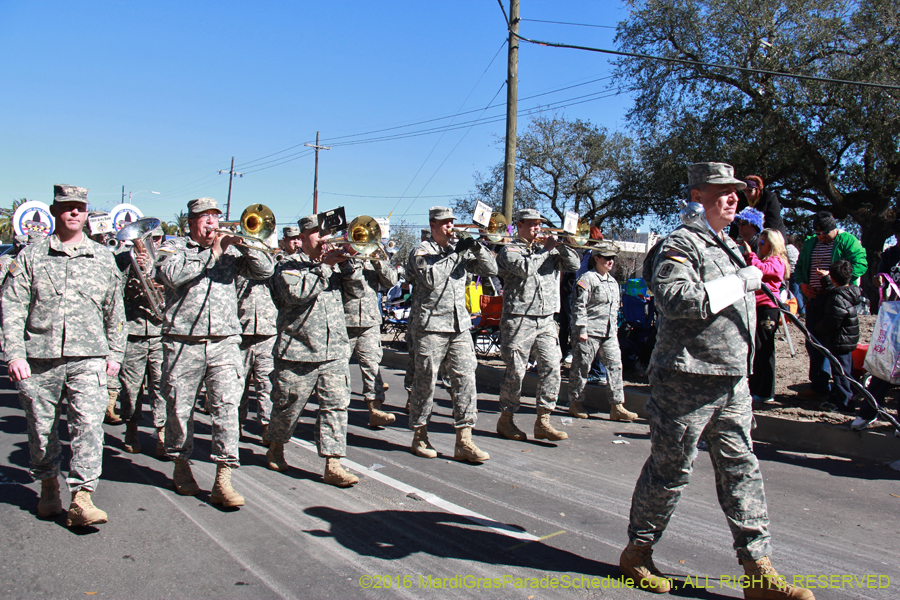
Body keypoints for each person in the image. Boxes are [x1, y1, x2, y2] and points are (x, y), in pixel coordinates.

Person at [620, 163, 814, 600]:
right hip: (686, 378)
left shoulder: (732, 245)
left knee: (742, 469)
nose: (734, 197)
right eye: (722, 191)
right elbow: (675, 300)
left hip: (732, 380)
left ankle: (757, 569)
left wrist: (763, 287)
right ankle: (638, 552)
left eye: (736, 191)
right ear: (697, 195)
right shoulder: (681, 243)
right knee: (671, 471)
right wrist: (739, 283)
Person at [2, 184, 126, 527]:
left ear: (86, 213)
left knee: (88, 425)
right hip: (40, 358)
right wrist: (14, 354)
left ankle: (82, 498)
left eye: (80, 207)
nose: (74, 212)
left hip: (89, 358)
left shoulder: (102, 258)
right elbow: (12, 307)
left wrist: (115, 353)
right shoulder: (32, 256)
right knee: (41, 430)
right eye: (67, 207)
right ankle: (47, 486)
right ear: (55, 212)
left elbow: (115, 311)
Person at [155, 197, 275, 507]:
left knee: (226, 408)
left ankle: (224, 477)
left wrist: (246, 243)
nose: (211, 222)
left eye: (215, 216)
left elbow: (264, 272)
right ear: (190, 223)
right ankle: (181, 466)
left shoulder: (232, 251)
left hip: (224, 341)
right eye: (204, 217)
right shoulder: (173, 250)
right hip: (183, 341)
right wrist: (214, 251)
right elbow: (171, 276)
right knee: (179, 411)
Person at [264, 215, 362, 487]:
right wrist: (326, 267)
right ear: (303, 237)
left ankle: (333, 463)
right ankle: (276, 445)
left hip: (334, 351)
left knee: (336, 408)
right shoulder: (287, 265)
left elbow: (358, 292)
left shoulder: (336, 264)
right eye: (317, 234)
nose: (324, 239)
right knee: (287, 408)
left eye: (327, 233)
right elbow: (296, 294)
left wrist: (349, 263)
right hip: (298, 351)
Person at [406, 206, 497, 461]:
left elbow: (491, 270)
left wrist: (478, 246)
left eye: (452, 222)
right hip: (431, 327)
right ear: (433, 225)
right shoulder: (422, 251)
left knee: (465, 379)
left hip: (459, 326)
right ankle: (420, 435)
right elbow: (432, 278)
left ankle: (464, 440)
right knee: (425, 382)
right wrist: (457, 254)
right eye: (445, 223)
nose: (450, 227)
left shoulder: (457, 251)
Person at [495, 208, 579, 443]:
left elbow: (573, 264)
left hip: (545, 319)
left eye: (539, 224)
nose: (537, 228)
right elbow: (525, 269)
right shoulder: (510, 250)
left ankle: (543, 420)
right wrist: (546, 250)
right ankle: (506, 419)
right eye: (531, 224)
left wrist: (561, 245)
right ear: (519, 225)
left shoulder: (548, 249)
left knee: (552, 366)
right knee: (516, 371)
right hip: (519, 318)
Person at [795, 211, 866, 398]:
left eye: (824, 232)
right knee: (814, 343)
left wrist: (836, 278)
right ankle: (819, 385)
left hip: (836, 300)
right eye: (817, 232)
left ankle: (843, 390)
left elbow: (860, 263)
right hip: (814, 299)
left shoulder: (848, 241)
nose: (821, 236)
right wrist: (803, 285)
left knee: (837, 346)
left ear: (834, 228)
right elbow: (800, 267)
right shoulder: (811, 242)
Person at [567, 241, 638, 422]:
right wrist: (581, 329)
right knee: (581, 368)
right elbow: (578, 306)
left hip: (608, 333)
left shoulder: (613, 282)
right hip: (589, 332)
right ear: (596, 258)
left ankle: (617, 406)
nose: (610, 261)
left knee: (615, 367)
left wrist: (615, 330)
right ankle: (575, 403)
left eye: (612, 258)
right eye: (606, 258)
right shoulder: (586, 279)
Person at [115, 224, 166, 455]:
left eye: (155, 238)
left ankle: (162, 433)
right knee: (131, 387)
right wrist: (136, 270)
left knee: (161, 386)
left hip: (160, 332)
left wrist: (156, 275)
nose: (149, 243)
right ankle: (131, 428)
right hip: (133, 332)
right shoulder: (122, 260)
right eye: (146, 238)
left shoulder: (165, 259)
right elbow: (116, 291)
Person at [340, 243, 398, 428]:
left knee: (372, 366)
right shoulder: (341, 256)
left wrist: (378, 260)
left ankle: (375, 409)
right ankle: (336, 410)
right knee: (338, 369)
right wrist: (347, 255)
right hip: (343, 320)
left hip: (370, 321)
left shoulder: (374, 258)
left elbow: (391, 281)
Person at [853, 218, 900, 430]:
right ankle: (868, 412)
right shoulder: (890, 254)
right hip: (892, 317)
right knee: (883, 367)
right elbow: (879, 277)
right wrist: (879, 280)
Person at [236, 246, 278, 446]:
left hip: (267, 332)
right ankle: (234, 427)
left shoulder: (271, 261)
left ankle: (268, 429)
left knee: (266, 384)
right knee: (237, 385)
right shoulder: (235, 260)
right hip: (239, 332)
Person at [742, 228, 790, 404]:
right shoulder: (764, 260)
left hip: (768, 309)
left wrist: (750, 254)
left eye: (762, 243)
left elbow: (759, 270)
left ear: (772, 244)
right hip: (756, 306)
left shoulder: (777, 261)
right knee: (756, 350)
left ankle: (766, 391)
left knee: (765, 349)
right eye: (758, 242)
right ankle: (755, 387)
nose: (759, 246)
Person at [814, 260, 861, 413]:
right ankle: (836, 398)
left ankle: (846, 405)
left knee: (841, 374)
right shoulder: (849, 292)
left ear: (834, 278)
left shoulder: (836, 298)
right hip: (847, 339)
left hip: (839, 340)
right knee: (844, 371)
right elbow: (833, 290)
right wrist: (826, 279)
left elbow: (832, 321)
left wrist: (818, 327)